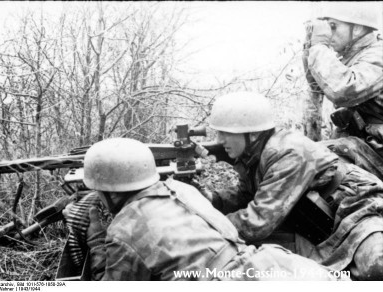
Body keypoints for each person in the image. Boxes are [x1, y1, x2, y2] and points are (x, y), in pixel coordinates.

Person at [63, 137, 338, 281]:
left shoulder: (124, 228)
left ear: (109, 192)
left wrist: (98, 237)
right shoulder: (183, 190)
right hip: (272, 266)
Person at [202, 91, 383, 280]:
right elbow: (247, 195)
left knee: (375, 266)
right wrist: (214, 200)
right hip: (316, 219)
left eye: (225, 133)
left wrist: (210, 227)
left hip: (357, 206)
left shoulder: (287, 152)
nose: (219, 140)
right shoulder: (253, 154)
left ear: (253, 134)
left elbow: (257, 223)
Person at [302, 2, 383, 169]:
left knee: (317, 164)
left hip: (376, 150)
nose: (328, 34)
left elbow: (345, 90)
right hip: (365, 146)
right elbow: (317, 85)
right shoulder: (351, 56)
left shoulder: (378, 54)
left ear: (358, 29)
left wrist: (319, 48)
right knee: (302, 157)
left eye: (333, 26)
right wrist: (310, 48)